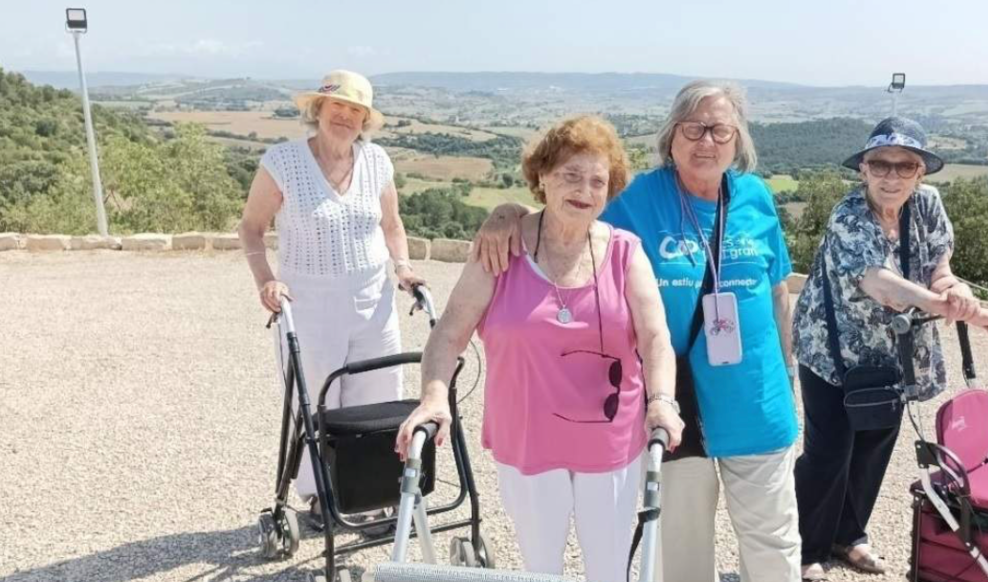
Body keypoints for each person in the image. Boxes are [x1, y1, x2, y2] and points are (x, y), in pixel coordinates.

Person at [471, 81, 801, 582]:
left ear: (738, 142)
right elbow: (567, 206)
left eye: (719, 130)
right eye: (692, 129)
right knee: (683, 549)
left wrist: (788, 372)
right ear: (671, 138)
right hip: (678, 402)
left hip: (756, 396)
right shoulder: (639, 197)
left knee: (773, 540)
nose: (705, 141)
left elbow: (778, 293)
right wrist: (505, 215)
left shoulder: (755, 197)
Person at [396, 115, 683, 582]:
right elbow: (450, 331)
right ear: (542, 176)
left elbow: (655, 338)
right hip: (527, 437)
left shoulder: (626, 252)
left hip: (610, 439)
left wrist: (662, 403)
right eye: (570, 175)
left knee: (611, 569)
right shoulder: (501, 248)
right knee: (540, 570)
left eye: (597, 181)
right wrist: (433, 397)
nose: (584, 190)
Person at [790, 117, 988, 580]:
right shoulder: (848, 215)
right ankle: (805, 548)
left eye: (904, 165)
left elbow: (940, 268)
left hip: (893, 355)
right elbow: (877, 282)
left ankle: (849, 536)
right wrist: (952, 308)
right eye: (880, 164)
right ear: (863, 170)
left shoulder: (928, 206)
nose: (891, 175)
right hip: (831, 353)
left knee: (873, 446)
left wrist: (957, 292)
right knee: (829, 451)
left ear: (919, 173)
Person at [238, 69, 425, 522]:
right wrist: (266, 279)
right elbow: (251, 228)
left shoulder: (377, 161)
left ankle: (375, 489)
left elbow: (392, 227)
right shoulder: (282, 162)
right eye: (336, 107)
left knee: (378, 397)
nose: (345, 116)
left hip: (372, 300)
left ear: (366, 121)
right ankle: (321, 493)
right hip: (308, 302)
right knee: (318, 401)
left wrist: (402, 267)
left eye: (355, 111)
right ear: (317, 110)